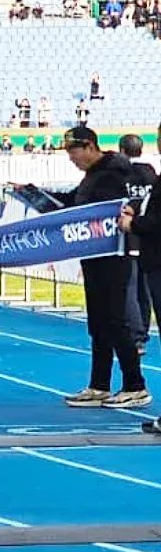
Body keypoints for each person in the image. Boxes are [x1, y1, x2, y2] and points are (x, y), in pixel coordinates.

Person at [42, 127, 149, 409]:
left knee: (115, 321)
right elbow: (71, 204)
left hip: (113, 256)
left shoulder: (114, 174)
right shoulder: (92, 176)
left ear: (89, 146)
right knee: (99, 323)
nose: (71, 159)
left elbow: (113, 209)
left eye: (73, 152)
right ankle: (99, 384)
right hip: (93, 257)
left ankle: (135, 385)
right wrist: (34, 195)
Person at [119, 122, 161, 433]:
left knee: (132, 295)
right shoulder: (152, 176)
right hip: (150, 258)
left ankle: (136, 337)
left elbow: (155, 222)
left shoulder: (127, 175)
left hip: (150, 254)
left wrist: (133, 224)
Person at [118, 133, 158, 355]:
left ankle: (135, 336)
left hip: (128, 233)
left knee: (130, 287)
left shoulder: (121, 174)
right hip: (148, 237)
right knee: (145, 289)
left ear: (122, 150)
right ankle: (142, 332)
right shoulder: (151, 173)